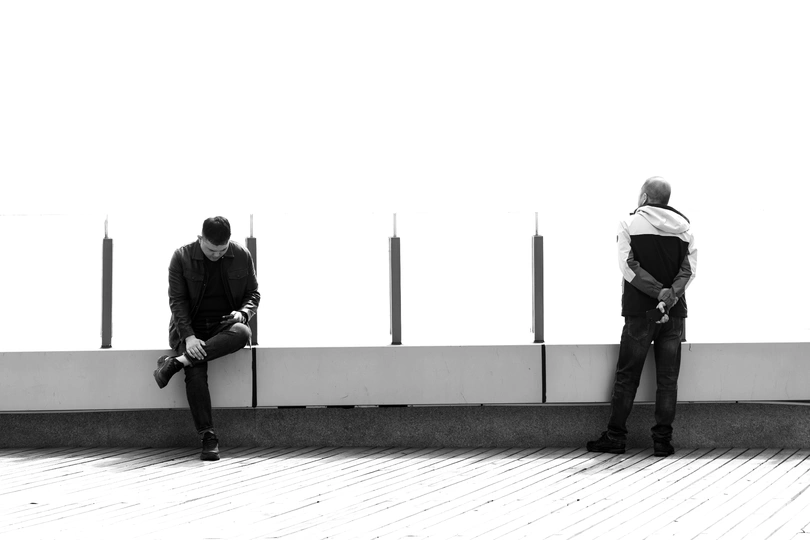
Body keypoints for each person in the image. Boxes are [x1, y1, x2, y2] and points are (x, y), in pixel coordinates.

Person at [587, 177, 697, 457]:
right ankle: (662, 442)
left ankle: (616, 437)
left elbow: (628, 266)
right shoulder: (685, 230)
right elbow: (689, 271)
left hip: (640, 313)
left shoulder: (628, 223)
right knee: (668, 380)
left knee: (627, 376)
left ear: (645, 197)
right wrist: (669, 296)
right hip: (674, 314)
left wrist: (657, 292)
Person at [153, 216, 260, 461]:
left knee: (243, 332)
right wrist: (189, 337)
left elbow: (253, 293)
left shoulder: (241, 255)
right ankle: (208, 436)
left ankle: (176, 363)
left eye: (222, 250)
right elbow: (177, 302)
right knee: (196, 370)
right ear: (200, 238)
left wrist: (243, 313)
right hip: (191, 327)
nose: (216, 255)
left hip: (224, 325)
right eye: (211, 250)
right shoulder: (181, 257)